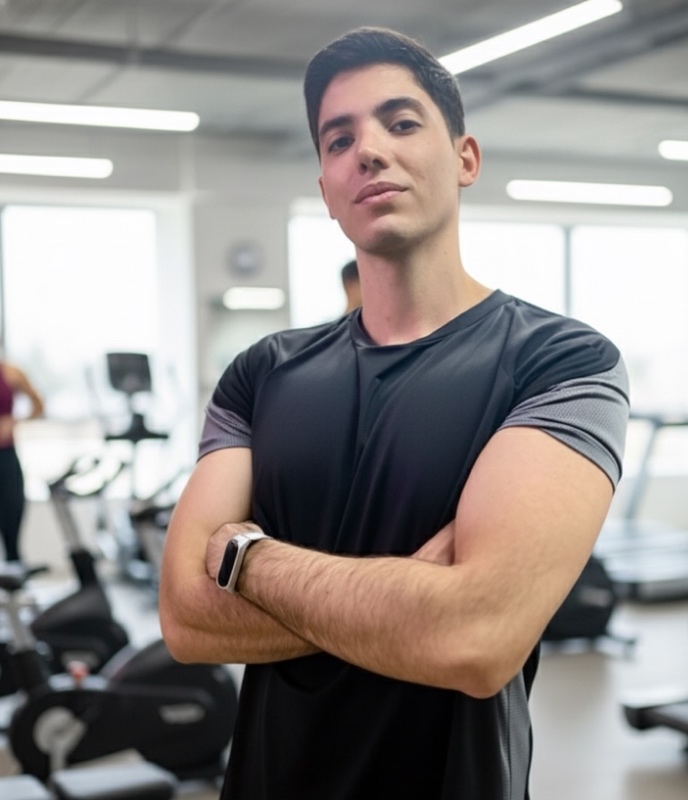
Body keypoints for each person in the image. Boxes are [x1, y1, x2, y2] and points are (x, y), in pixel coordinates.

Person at [159, 26, 629, 800]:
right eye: (339, 139)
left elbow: (477, 638)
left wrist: (247, 560)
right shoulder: (263, 373)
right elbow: (186, 618)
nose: (369, 151)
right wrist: (414, 595)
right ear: (325, 188)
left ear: (465, 158)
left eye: (401, 123)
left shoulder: (560, 361)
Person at [0, 358, 45, 564]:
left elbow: (38, 404)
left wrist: (14, 421)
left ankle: (13, 565)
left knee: (12, 510)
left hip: (6, 455)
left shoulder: (11, 372)